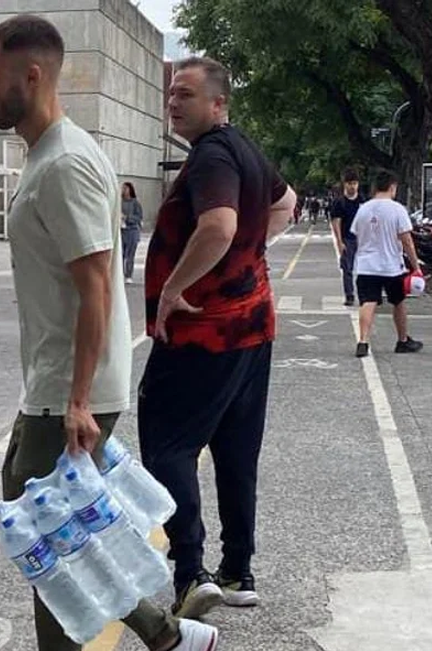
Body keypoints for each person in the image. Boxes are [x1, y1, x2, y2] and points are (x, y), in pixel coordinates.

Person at [0, 15, 218, 651]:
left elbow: (96, 289)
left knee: (48, 538)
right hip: (52, 383)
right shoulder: (45, 155)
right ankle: (168, 637)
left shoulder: (67, 160)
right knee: (55, 533)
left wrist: (79, 398)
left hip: (70, 390)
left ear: (31, 75)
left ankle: (154, 641)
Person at [140, 55, 295, 620]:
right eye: (171, 95)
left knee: (166, 444)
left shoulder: (211, 155)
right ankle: (238, 569)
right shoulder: (245, 149)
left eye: (185, 94)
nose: (173, 103)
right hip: (252, 328)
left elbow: (220, 225)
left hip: (203, 334)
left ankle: (190, 572)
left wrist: (175, 287)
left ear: (218, 103)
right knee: (235, 448)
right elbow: (286, 202)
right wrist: (249, 259)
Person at [351, 169, 423, 358]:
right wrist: (415, 266)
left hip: (366, 265)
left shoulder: (363, 209)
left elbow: (357, 235)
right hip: (391, 266)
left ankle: (363, 341)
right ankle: (402, 340)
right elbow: (406, 240)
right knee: (398, 302)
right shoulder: (397, 209)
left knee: (368, 301)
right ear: (392, 187)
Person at [331, 168, 364, 306]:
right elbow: (336, 222)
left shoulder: (362, 200)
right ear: (344, 184)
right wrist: (339, 241)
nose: (352, 186)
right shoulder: (339, 202)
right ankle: (349, 295)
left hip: (362, 238)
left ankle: (365, 295)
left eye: (355, 183)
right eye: (350, 183)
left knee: (364, 268)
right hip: (347, 238)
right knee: (347, 268)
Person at [121, 181, 143, 283]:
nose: (124, 190)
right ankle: (119, 275)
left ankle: (128, 275)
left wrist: (127, 218)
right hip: (121, 231)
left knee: (130, 255)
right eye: (123, 188)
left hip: (132, 231)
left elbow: (139, 217)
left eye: (126, 188)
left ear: (130, 190)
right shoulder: (119, 202)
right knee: (120, 255)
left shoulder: (135, 203)